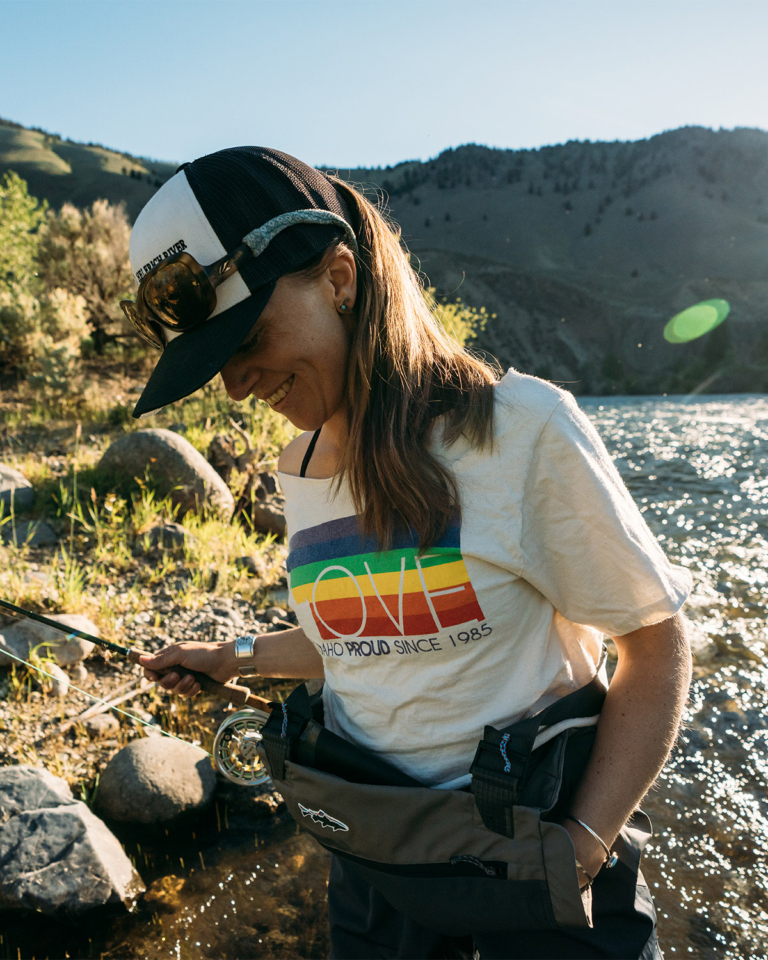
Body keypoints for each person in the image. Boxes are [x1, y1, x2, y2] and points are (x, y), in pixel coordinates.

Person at [128, 146, 692, 960]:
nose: (237, 385)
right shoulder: (300, 466)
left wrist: (584, 844)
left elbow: (657, 641)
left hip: (537, 853)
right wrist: (235, 656)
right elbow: (363, 640)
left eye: (246, 337)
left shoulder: (521, 430)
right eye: (215, 363)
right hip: (378, 861)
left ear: (339, 277)